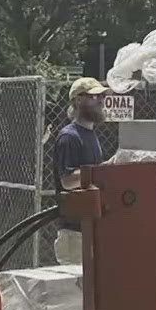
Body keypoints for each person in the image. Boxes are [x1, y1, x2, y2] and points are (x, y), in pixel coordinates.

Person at [52, 77, 109, 264]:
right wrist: (100, 172)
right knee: (76, 292)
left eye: (102, 95)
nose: (101, 100)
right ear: (78, 100)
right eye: (94, 96)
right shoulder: (69, 136)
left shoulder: (91, 135)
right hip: (74, 233)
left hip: (89, 228)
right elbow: (67, 181)